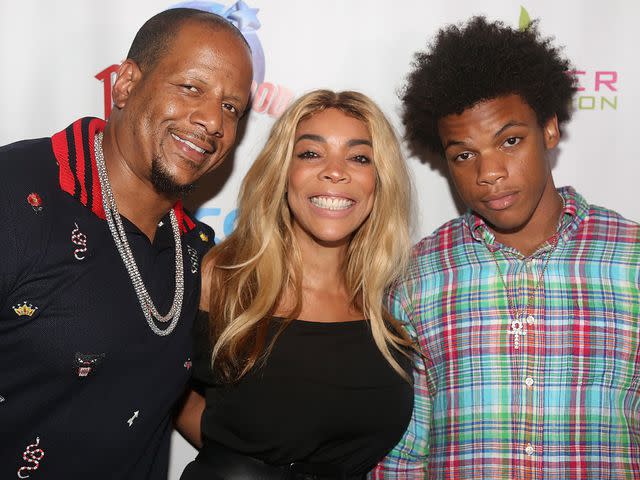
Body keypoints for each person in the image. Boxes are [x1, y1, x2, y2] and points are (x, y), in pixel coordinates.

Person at [372, 16, 640, 479]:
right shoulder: (416, 277)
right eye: (464, 154)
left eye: (510, 141)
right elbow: (404, 455)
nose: (489, 172)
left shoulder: (631, 259)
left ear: (550, 130)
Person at [0, 8, 252, 479]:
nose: (212, 121)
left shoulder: (194, 250)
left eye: (231, 107)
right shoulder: (15, 193)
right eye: (191, 88)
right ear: (126, 83)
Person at [174, 90, 416, 480]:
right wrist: (236, 458)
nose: (335, 171)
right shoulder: (224, 277)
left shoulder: (387, 304)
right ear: (283, 171)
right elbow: (163, 388)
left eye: (359, 157)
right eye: (310, 153)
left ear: (379, 180)